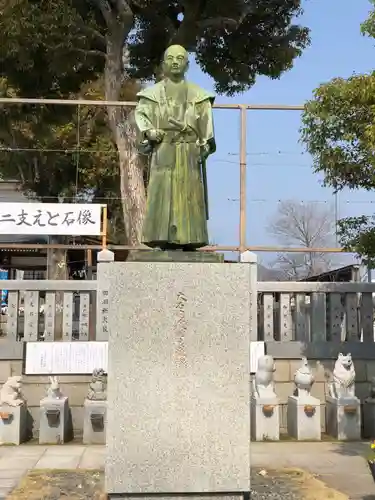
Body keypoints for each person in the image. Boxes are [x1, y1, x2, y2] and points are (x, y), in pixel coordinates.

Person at [134, 44, 216, 250]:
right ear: (163, 64)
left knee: (190, 196)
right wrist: (149, 132)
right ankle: (159, 238)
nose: (175, 62)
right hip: (163, 150)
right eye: (170, 58)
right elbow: (141, 117)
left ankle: (192, 239)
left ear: (187, 64)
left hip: (189, 153)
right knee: (161, 192)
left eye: (180, 58)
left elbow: (207, 129)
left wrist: (204, 146)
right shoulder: (151, 95)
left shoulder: (200, 96)